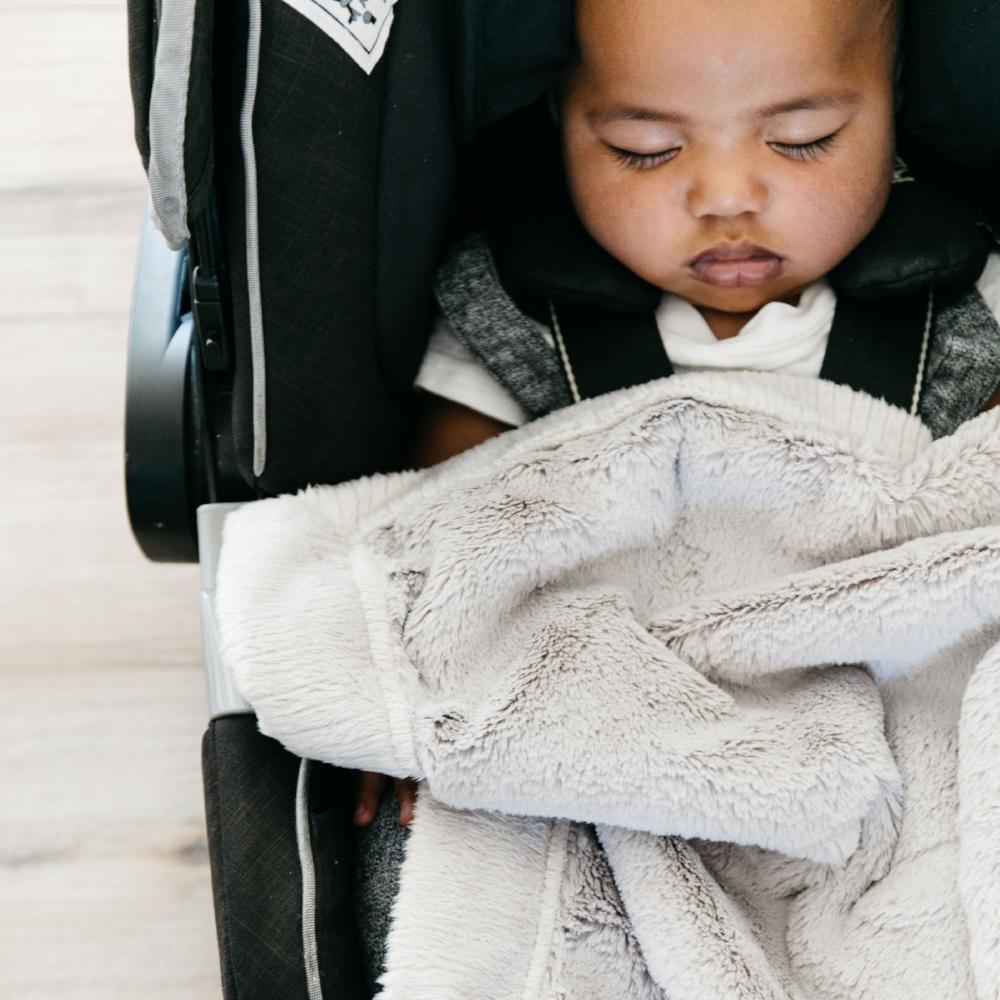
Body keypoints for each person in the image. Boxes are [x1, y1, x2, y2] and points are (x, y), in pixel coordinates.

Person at [351, 0, 1000, 989]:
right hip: (618, 736)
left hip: (901, 739)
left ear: (892, 106)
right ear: (560, 118)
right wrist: (413, 685)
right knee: (468, 850)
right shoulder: (517, 317)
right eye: (644, 151)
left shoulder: (966, 310)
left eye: (803, 140)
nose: (726, 196)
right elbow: (446, 542)